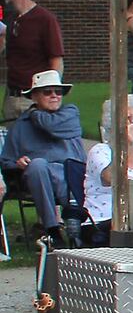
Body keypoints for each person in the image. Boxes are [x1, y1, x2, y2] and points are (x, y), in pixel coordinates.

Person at [0, 71, 84, 244]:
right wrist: (18, 164)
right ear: (34, 96)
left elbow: (51, 126)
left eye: (58, 92)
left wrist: (34, 114)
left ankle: (79, 228)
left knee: (67, 173)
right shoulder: (20, 127)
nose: (54, 95)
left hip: (71, 174)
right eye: (47, 92)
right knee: (37, 165)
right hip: (38, 178)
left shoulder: (70, 113)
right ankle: (53, 230)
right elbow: (6, 162)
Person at [79, 94, 133, 246]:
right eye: (126, 119)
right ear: (112, 124)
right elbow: (112, 179)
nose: (132, 124)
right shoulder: (100, 151)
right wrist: (123, 144)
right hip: (102, 225)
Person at [2, 0, 64, 123]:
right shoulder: (12, 19)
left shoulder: (45, 20)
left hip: (33, 101)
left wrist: (49, 95)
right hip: (11, 98)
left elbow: (56, 61)